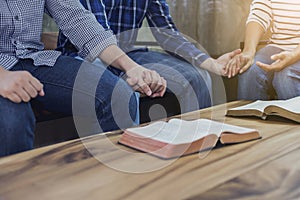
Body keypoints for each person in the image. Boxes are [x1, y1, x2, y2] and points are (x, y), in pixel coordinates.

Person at [0, 0, 167, 157]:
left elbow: (76, 18)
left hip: (33, 59)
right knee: (12, 122)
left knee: (119, 95)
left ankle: (112, 179)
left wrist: (131, 67)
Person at [57, 0, 241, 113]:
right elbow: (96, 36)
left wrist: (210, 63)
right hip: (86, 55)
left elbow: (167, 33)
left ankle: (196, 146)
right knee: (118, 88)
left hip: (129, 54)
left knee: (197, 77)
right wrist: (131, 71)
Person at [225, 0, 300, 100]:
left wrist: (294, 55)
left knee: (285, 77)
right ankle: (249, 114)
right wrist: (248, 51)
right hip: (277, 46)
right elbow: (259, 14)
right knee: (250, 71)